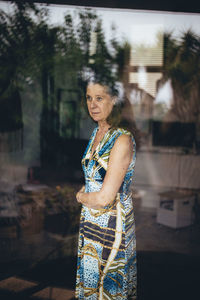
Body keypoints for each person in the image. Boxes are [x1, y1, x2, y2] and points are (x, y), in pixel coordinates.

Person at [75, 80, 137, 299]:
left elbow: (104, 197)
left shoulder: (121, 139)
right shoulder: (98, 131)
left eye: (99, 98)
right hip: (91, 223)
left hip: (112, 226)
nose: (92, 104)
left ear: (114, 100)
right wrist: (87, 190)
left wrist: (80, 196)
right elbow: (95, 177)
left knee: (108, 287)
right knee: (91, 285)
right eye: (89, 97)